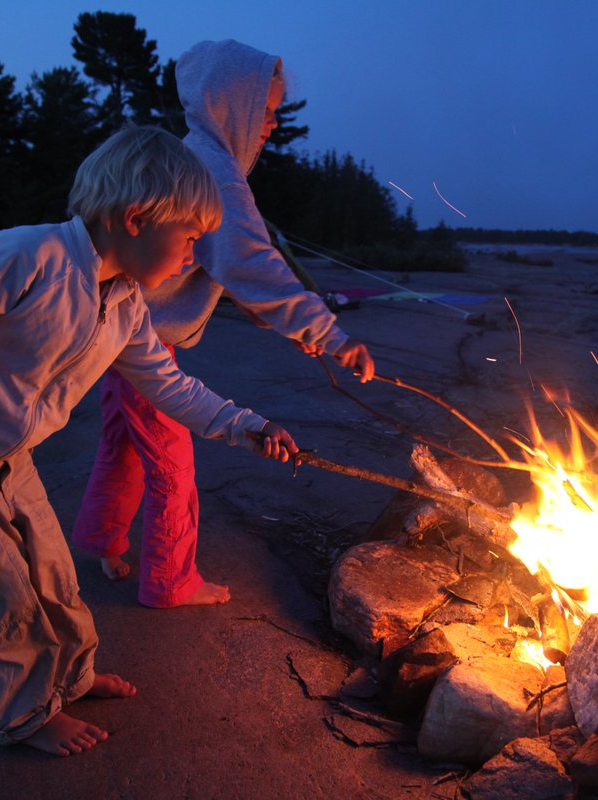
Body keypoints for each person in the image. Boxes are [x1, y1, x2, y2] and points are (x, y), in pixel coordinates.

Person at [0, 125, 298, 757]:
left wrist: (247, 425)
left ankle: (70, 679)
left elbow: (168, 384)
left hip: (10, 460)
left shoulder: (124, 304)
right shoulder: (27, 257)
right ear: (136, 219)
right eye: (188, 240)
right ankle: (22, 715)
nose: (191, 258)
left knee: (52, 574)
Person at [71, 39, 375, 609]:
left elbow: (219, 270)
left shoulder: (197, 160)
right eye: (264, 111)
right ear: (230, 106)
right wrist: (327, 333)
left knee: (123, 445)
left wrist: (280, 323)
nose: (272, 124)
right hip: (144, 344)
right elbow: (251, 263)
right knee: (172, 461)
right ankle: (170, 578)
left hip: (119, 335)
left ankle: (102, 540)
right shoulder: (213, 174)